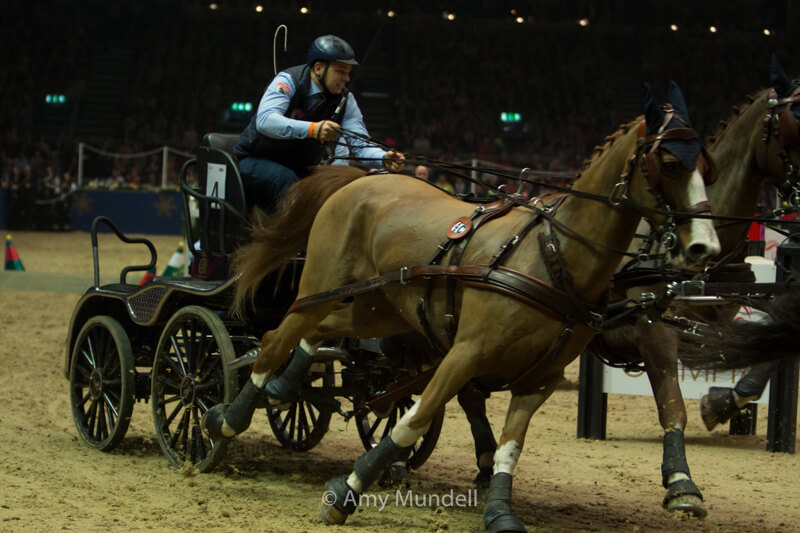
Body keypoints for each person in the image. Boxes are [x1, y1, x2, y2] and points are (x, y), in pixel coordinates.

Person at [234, 34, 404, 211]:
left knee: (332, 186)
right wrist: (312, 129)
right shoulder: (288, 80)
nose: (346, 78)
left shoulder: (346, 100)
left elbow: (360, 144)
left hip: (299, 167)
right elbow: (265, 120)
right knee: (286, 181)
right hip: (255, 159)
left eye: (348, 73)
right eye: (340, 71)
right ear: (318, 68)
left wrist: (383, 158)